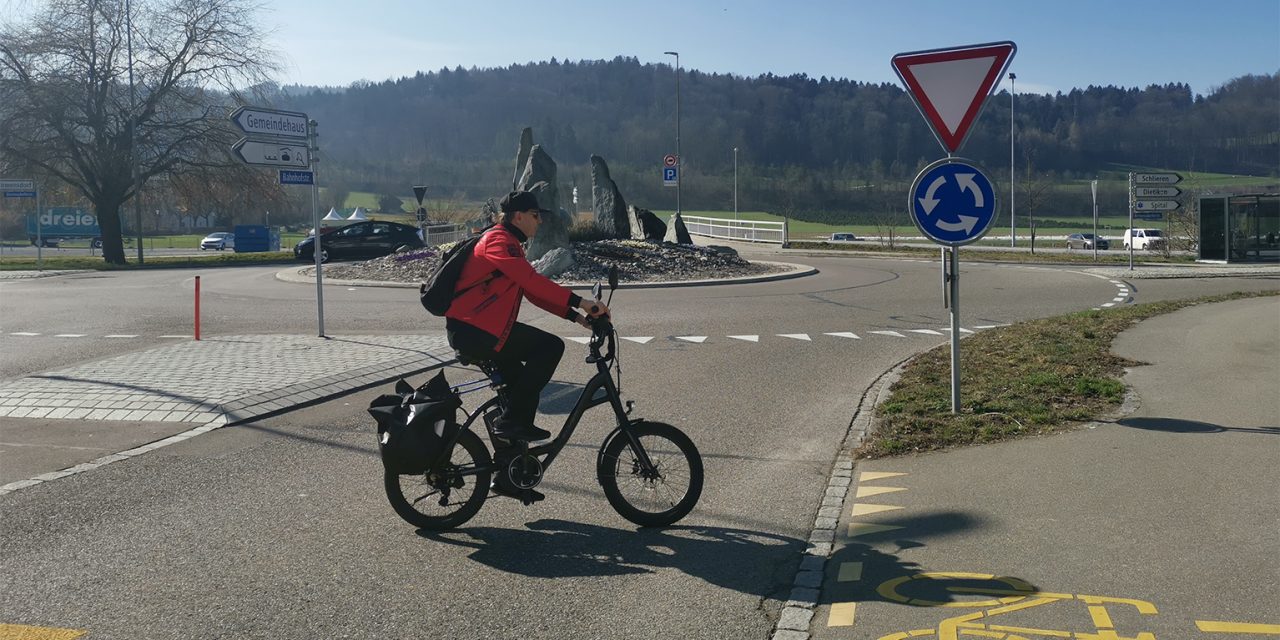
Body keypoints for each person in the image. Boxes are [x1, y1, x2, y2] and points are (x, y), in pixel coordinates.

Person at [445, 190, 609, 443]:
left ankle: (508, 472)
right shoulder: (498, 242)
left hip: (481, 330)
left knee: (518, 391)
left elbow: (532, 293)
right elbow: (531, 281)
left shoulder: (509, 243)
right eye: (535, 215)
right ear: (518, 216)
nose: (539, 221)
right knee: (550, 347)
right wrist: (581, 302)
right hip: (474, 332)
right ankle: (511, 423)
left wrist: (575, 317)